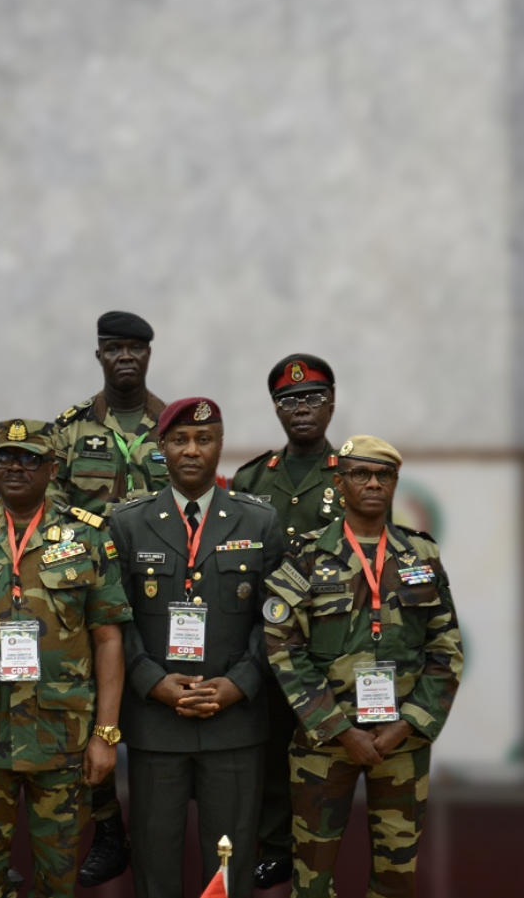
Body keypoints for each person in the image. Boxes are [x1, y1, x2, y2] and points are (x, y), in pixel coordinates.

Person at [0, 418, 130, 898]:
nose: (15, 467)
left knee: (58, 875)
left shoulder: (87, 537)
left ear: (52, 469)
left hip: (61, 733)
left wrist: (105, 734)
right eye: (5, 457)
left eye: (28, 459)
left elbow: (108, 640)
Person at [262, 435, 462, 898]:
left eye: (384, 475)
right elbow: (282, 646)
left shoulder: (421, 555)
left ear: (395, 483)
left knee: (397, 879)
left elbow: (446, 648)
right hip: (324, 741)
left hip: (402, 742)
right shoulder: (306, 555)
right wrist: (340, 729)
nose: (373, 484)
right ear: (339, 483)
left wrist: (406, 726)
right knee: (311, 882)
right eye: (361, 474)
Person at [108, 397, 283, 898]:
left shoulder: (258, 521)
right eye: (180, 440)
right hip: (156, 723)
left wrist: (239, 684)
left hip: (234, 724)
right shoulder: (128, 522)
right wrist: (152, 682)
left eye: (203, 440)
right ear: (161, 447)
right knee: (154, 859)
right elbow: (114, 619)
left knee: (229, 863)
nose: (191, 450)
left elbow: (277, 619)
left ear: (220, 445)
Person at [47, 309, 166, 886]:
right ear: (99, 355)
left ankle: (155, 830)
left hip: (164, 597)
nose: (124, 357)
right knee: (89, 711)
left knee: (156, 709)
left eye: (134, 348)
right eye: (114, 348)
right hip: (91, 598)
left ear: (148, 355)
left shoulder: (173, 425)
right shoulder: (68, 430)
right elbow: (51, 510)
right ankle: (108, 828)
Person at [229, 352, 342, 891]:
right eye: (288, 400)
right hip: (269, 640)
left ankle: (318, 853)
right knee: (272, 746)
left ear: (331, 404)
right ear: (276, 408)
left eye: (312, 397)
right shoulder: (252, 477)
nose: (301, 408)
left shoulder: (353, 472)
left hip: (331, 642)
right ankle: (275, 848)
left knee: (326, 750)